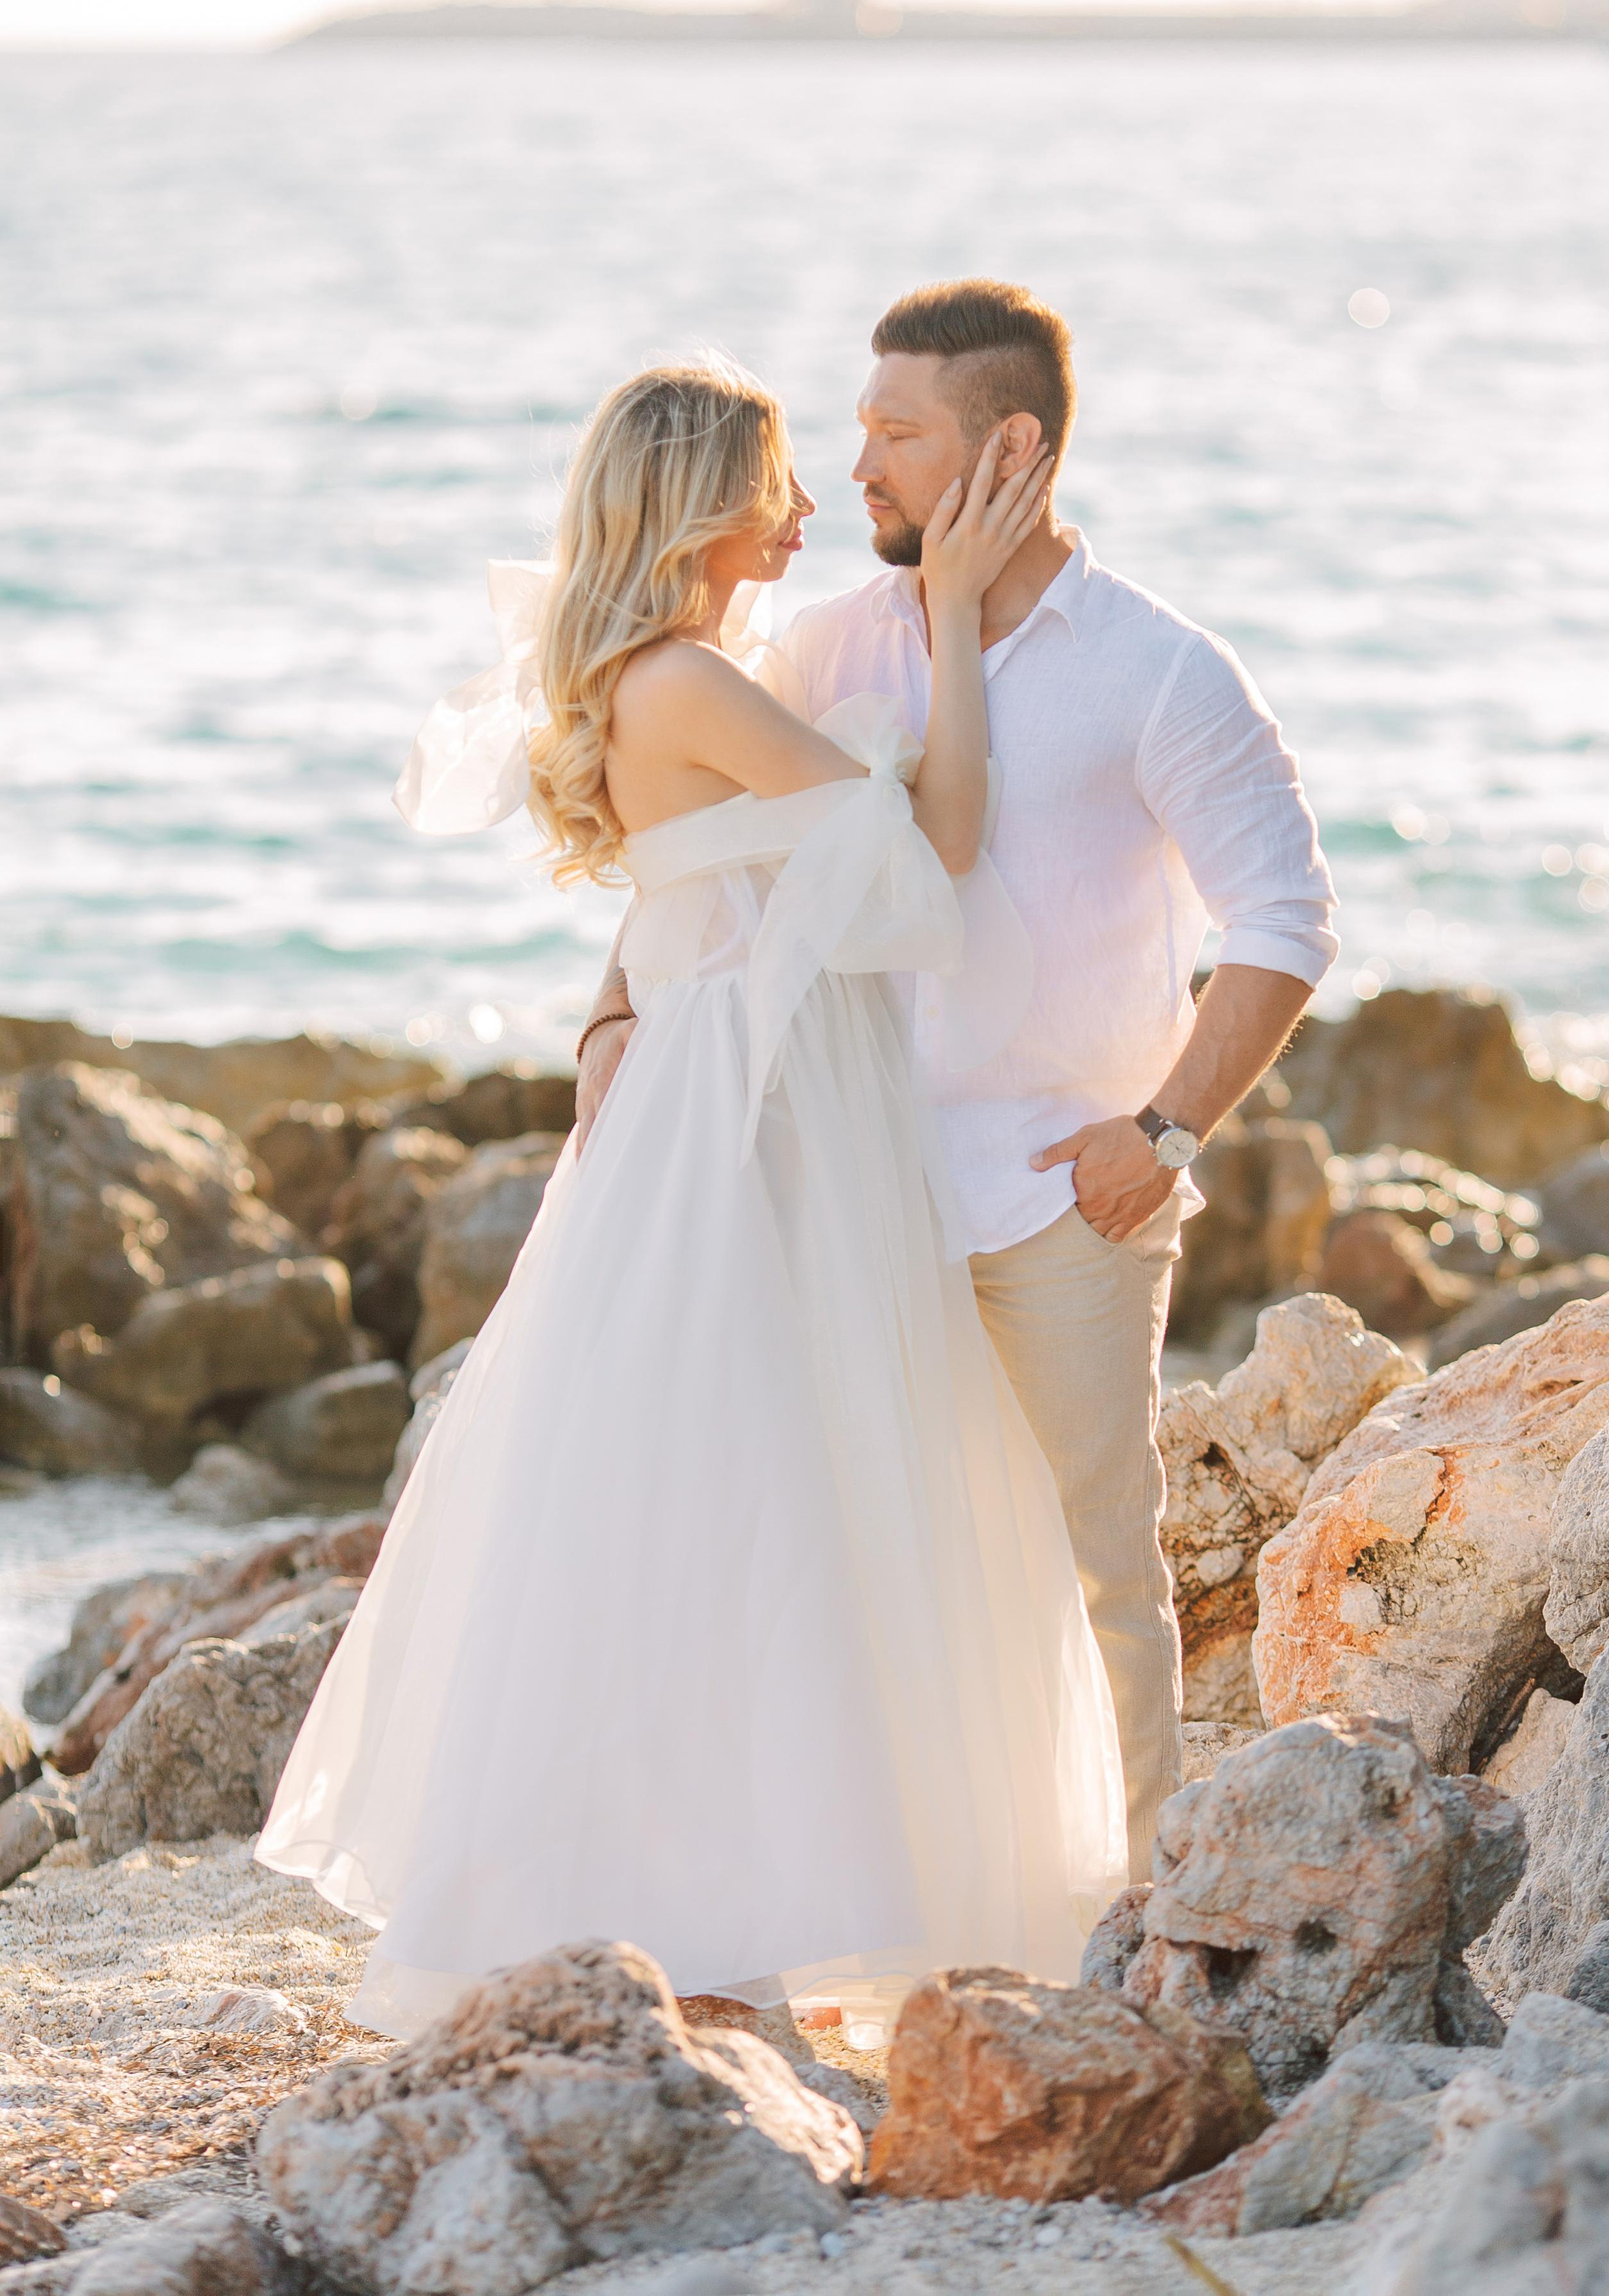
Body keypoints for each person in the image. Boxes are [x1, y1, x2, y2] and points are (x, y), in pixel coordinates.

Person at [257, 356, 1127, 2038]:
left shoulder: (682, 673)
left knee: (741, 1490)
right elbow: (937, 840)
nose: (809, 508)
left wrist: (607, 1007)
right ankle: (699, 1920)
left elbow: (713, 898)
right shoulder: (682, 683)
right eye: (780, 479)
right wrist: (948, 611)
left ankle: (731, 1913)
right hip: (751, 1119)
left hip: (743, 1097)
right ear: (707, 505)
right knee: (743, 1498)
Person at [575, 285, 1339, 1877]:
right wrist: (605, 1028)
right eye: (855, 428)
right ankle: (927, 1898)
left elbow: (1282, 924)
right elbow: (701, 871)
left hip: (1065, 1192)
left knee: (1092, 1570)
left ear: (1009, 447)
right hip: (842, 1183)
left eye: (893, 433)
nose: (855, 464)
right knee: (859, 1567)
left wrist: (1164, 1129)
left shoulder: (1158, 670)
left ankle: (1139, 1913)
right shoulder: (817, 643)